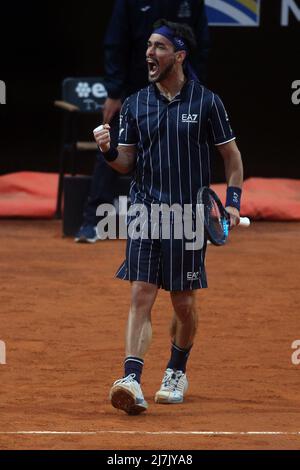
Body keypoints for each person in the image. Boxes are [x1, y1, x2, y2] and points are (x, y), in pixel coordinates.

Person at [93, 19, 244, 415]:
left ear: (179, 55)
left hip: (189, 215)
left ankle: (176, 370)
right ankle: (131, 378)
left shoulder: (207, 102)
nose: (149, 53)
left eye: (159, 47)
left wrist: (232, 203)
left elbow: (232, 158)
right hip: (146, 210)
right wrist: (109, 151)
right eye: (147, 46)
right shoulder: (135, 103)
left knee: (182, 302)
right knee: (141, 292)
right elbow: (125, 163)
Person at [75, 0, 209, 242]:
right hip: (133, 88)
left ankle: (198, 221)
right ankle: (93, 221)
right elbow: (115, 43)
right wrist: (115, 92)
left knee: (189, 151)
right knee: (113, 146)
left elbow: (200, 44)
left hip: (178, 88)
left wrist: (193, 88)